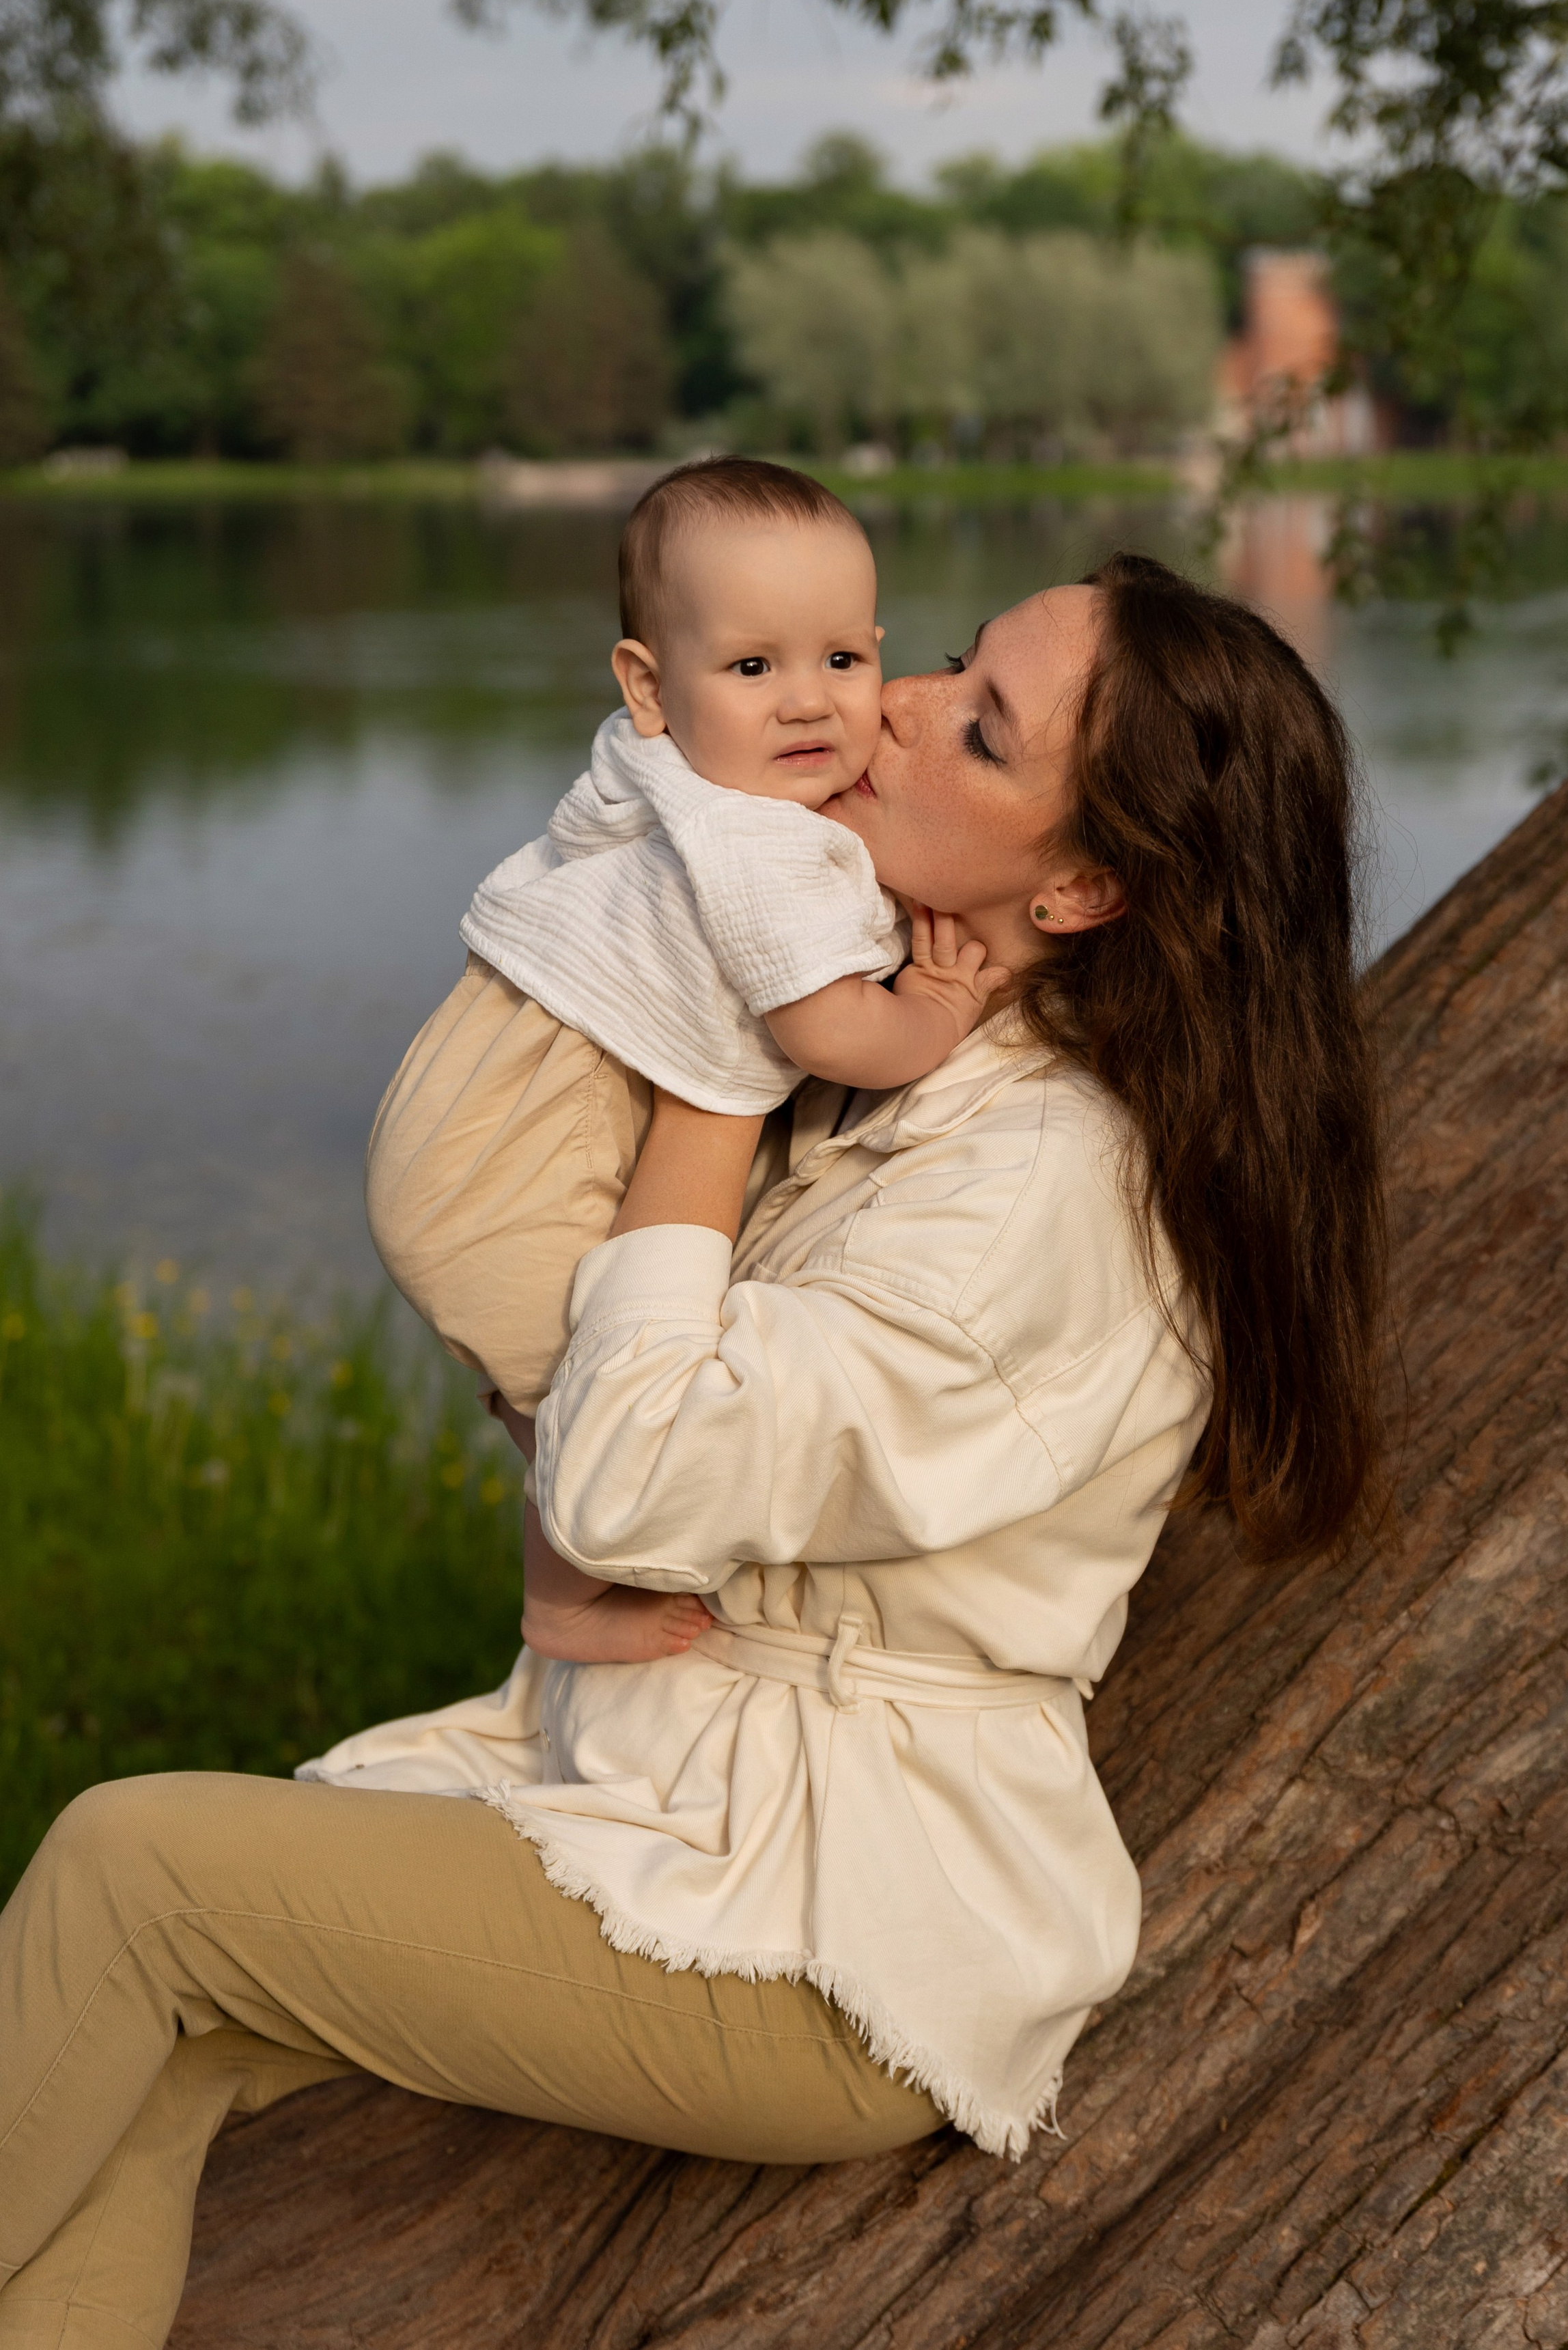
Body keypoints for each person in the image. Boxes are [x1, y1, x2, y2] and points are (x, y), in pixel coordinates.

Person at [0, 554, 1386, 2350]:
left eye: (976, 725)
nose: (886, 703)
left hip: (820, 1937)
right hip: (685, 1788)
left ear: (1089, 880)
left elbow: (631, 1473)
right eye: (956, 656)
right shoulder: (939, 1047)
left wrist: (711, 1081)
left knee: (137, 1873)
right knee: (157, 2041)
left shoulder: (1026, 1190)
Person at [367, 454, 1006, 1665]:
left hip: (471, 1098)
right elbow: (823, 1031)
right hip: (516, 1148)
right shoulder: (754, 843)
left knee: (560, 1368)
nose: (811, 703)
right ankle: (559, 1597)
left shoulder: (662, 770)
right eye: (754, 667)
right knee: (595, 1390)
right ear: (649, 686)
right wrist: (932, 1010)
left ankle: (542, 1482)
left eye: (844, 661)